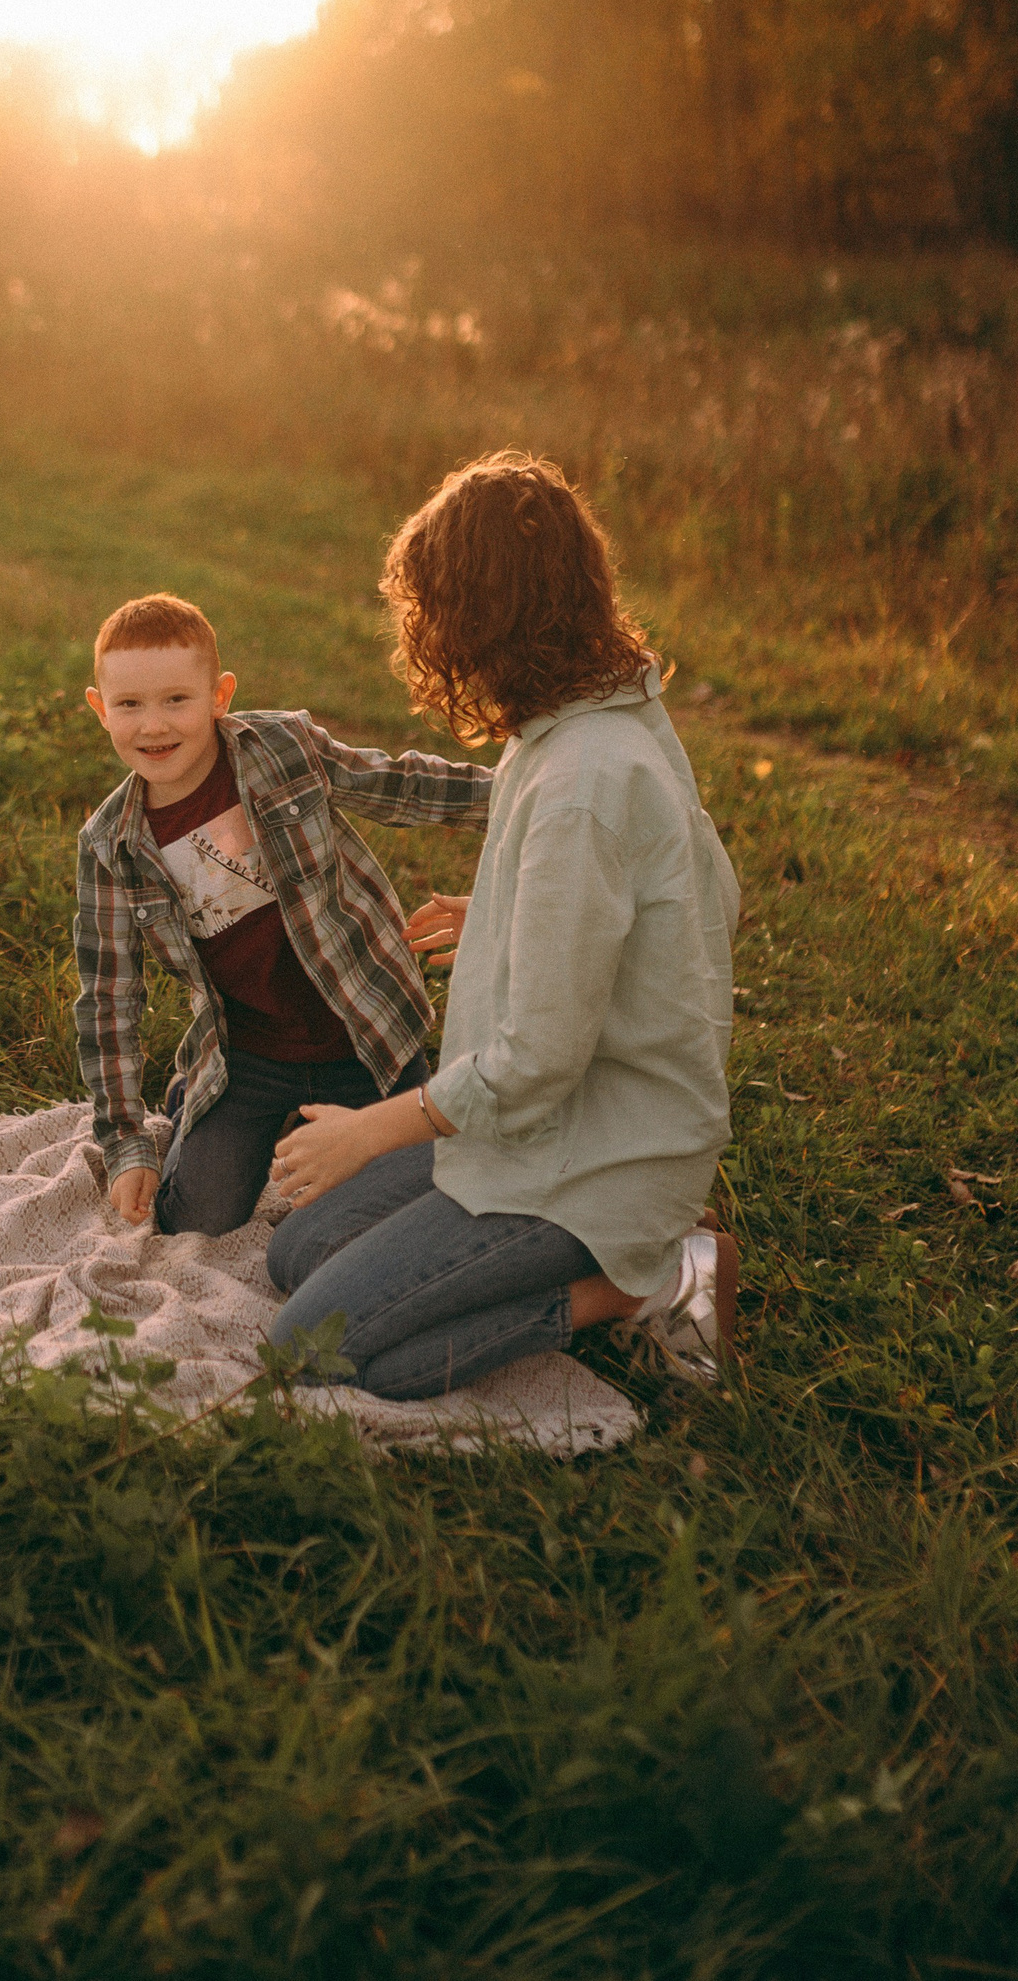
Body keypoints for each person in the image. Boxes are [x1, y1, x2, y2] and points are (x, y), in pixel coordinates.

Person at [267, 452, 740, 1393]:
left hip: (595, 1156)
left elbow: (537, 1063)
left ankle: (646, 1280)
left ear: (478, 616)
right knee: (299, 1250)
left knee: (310, 1344)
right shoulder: (596, 715)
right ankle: (636, 1250)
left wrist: (370, 1131)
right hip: (544, 1130)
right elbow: (697, 889)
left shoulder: (582, 779)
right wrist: (515, 912)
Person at [75, 592, 492, 1237]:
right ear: (100, 709)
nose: (153, 726)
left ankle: (312, 1123)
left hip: (366, 1034)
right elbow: (109, 997)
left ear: (219, 696)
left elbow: (400, 785)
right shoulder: (113, 844)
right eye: (129, 704)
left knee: (398, 1205)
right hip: (249, 1057)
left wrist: (524, 792)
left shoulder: (281, 750)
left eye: (176, 699)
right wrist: (127, 1143)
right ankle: (199, 1102)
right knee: (197, 1221)